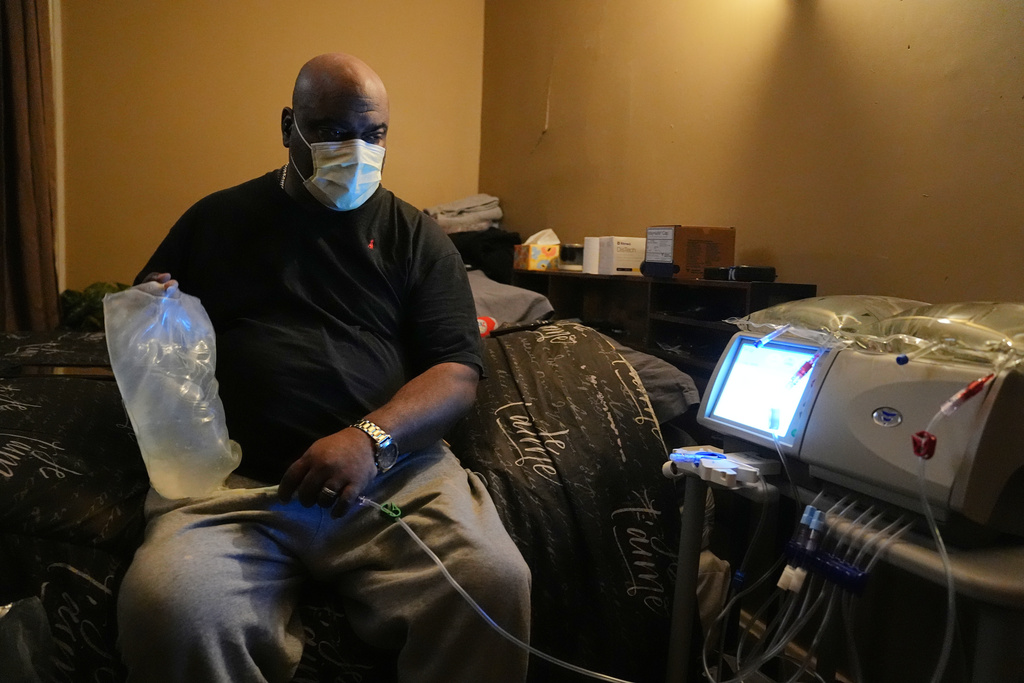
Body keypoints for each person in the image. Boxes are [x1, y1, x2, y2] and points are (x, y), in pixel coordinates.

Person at [116, 53, 531, 682]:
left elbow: (455, 371)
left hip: (394, 479)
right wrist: (150, 310)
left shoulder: (416, 237)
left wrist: (369, 439)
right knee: (171, 608)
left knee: (492, 582)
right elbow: (150, 324)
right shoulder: (217, 222)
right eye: (333, 131)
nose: (356, 150)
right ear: (289, 126)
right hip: (236, 489)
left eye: (374, 133)